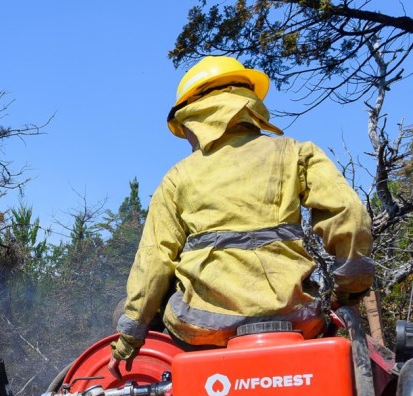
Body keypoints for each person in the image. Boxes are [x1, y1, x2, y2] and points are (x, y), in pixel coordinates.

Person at [108, 55, 374, 378]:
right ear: (250, 107)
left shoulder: (177, 177)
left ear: (195, 119)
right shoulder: (295, 153)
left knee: (147, 302)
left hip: (203, 327)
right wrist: (347, 291)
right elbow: (350, 215)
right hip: (297, 318)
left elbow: (153, 264)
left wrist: (128, 341)